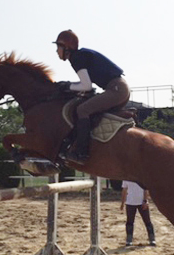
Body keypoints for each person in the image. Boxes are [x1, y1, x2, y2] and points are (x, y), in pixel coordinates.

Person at [53, 29, 130, 164]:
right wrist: (69, 85)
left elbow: (86, 86)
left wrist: (67, 86)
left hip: (116, 89)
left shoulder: (76, 58)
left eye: (58, 47)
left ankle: (81, 152)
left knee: (82, 110)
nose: (56, 51)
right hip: (119, 88)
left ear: (66, 47)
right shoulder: (80, 55)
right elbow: (86, 85)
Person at [120, 180, 156, 247]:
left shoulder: (140, 176)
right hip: (130, 203)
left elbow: (145, 189)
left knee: (147, 221)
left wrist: (145, 200)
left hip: (141, 202)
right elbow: (124, 190)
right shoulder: (126, 178)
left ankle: (152, 239)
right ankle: (129, 240)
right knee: (130, 222)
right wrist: (122, 203)